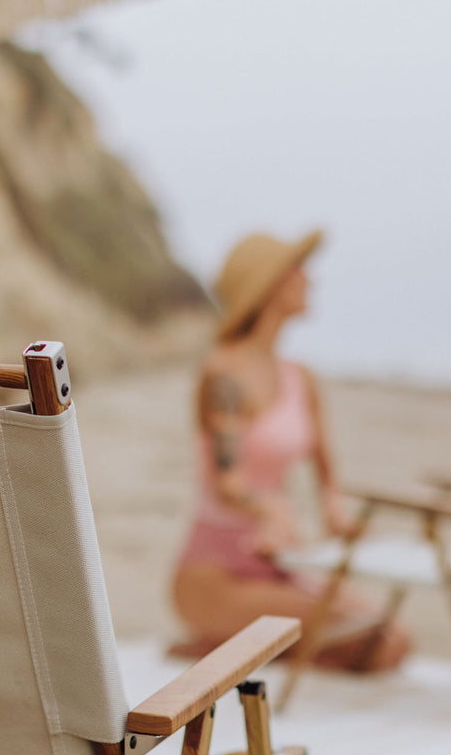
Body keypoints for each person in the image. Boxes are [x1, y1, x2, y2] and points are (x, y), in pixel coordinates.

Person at [171, 230, 411, 670]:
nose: (310, 280)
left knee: (394, 637)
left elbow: (328, 479)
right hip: (216, 573)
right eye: (298, 270)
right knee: (370, 643)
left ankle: (242, 648)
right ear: (270, 286)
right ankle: (236, 641)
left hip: (278, 565)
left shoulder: (302, 379)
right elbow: (227, 486)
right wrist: (271, 511)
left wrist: (339, 516)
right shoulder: (224, 375)